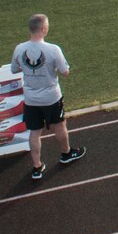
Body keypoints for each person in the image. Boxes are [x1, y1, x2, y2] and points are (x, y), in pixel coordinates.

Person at [11, 13, 84, 181]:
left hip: (30, 98)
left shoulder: (19, 48)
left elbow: (14, 69)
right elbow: (65, 72)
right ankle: (66, 153)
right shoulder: (53, 49)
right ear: (43, 29)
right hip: (51, 98)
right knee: (60, 126)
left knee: (34, 133)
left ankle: (37, 167)